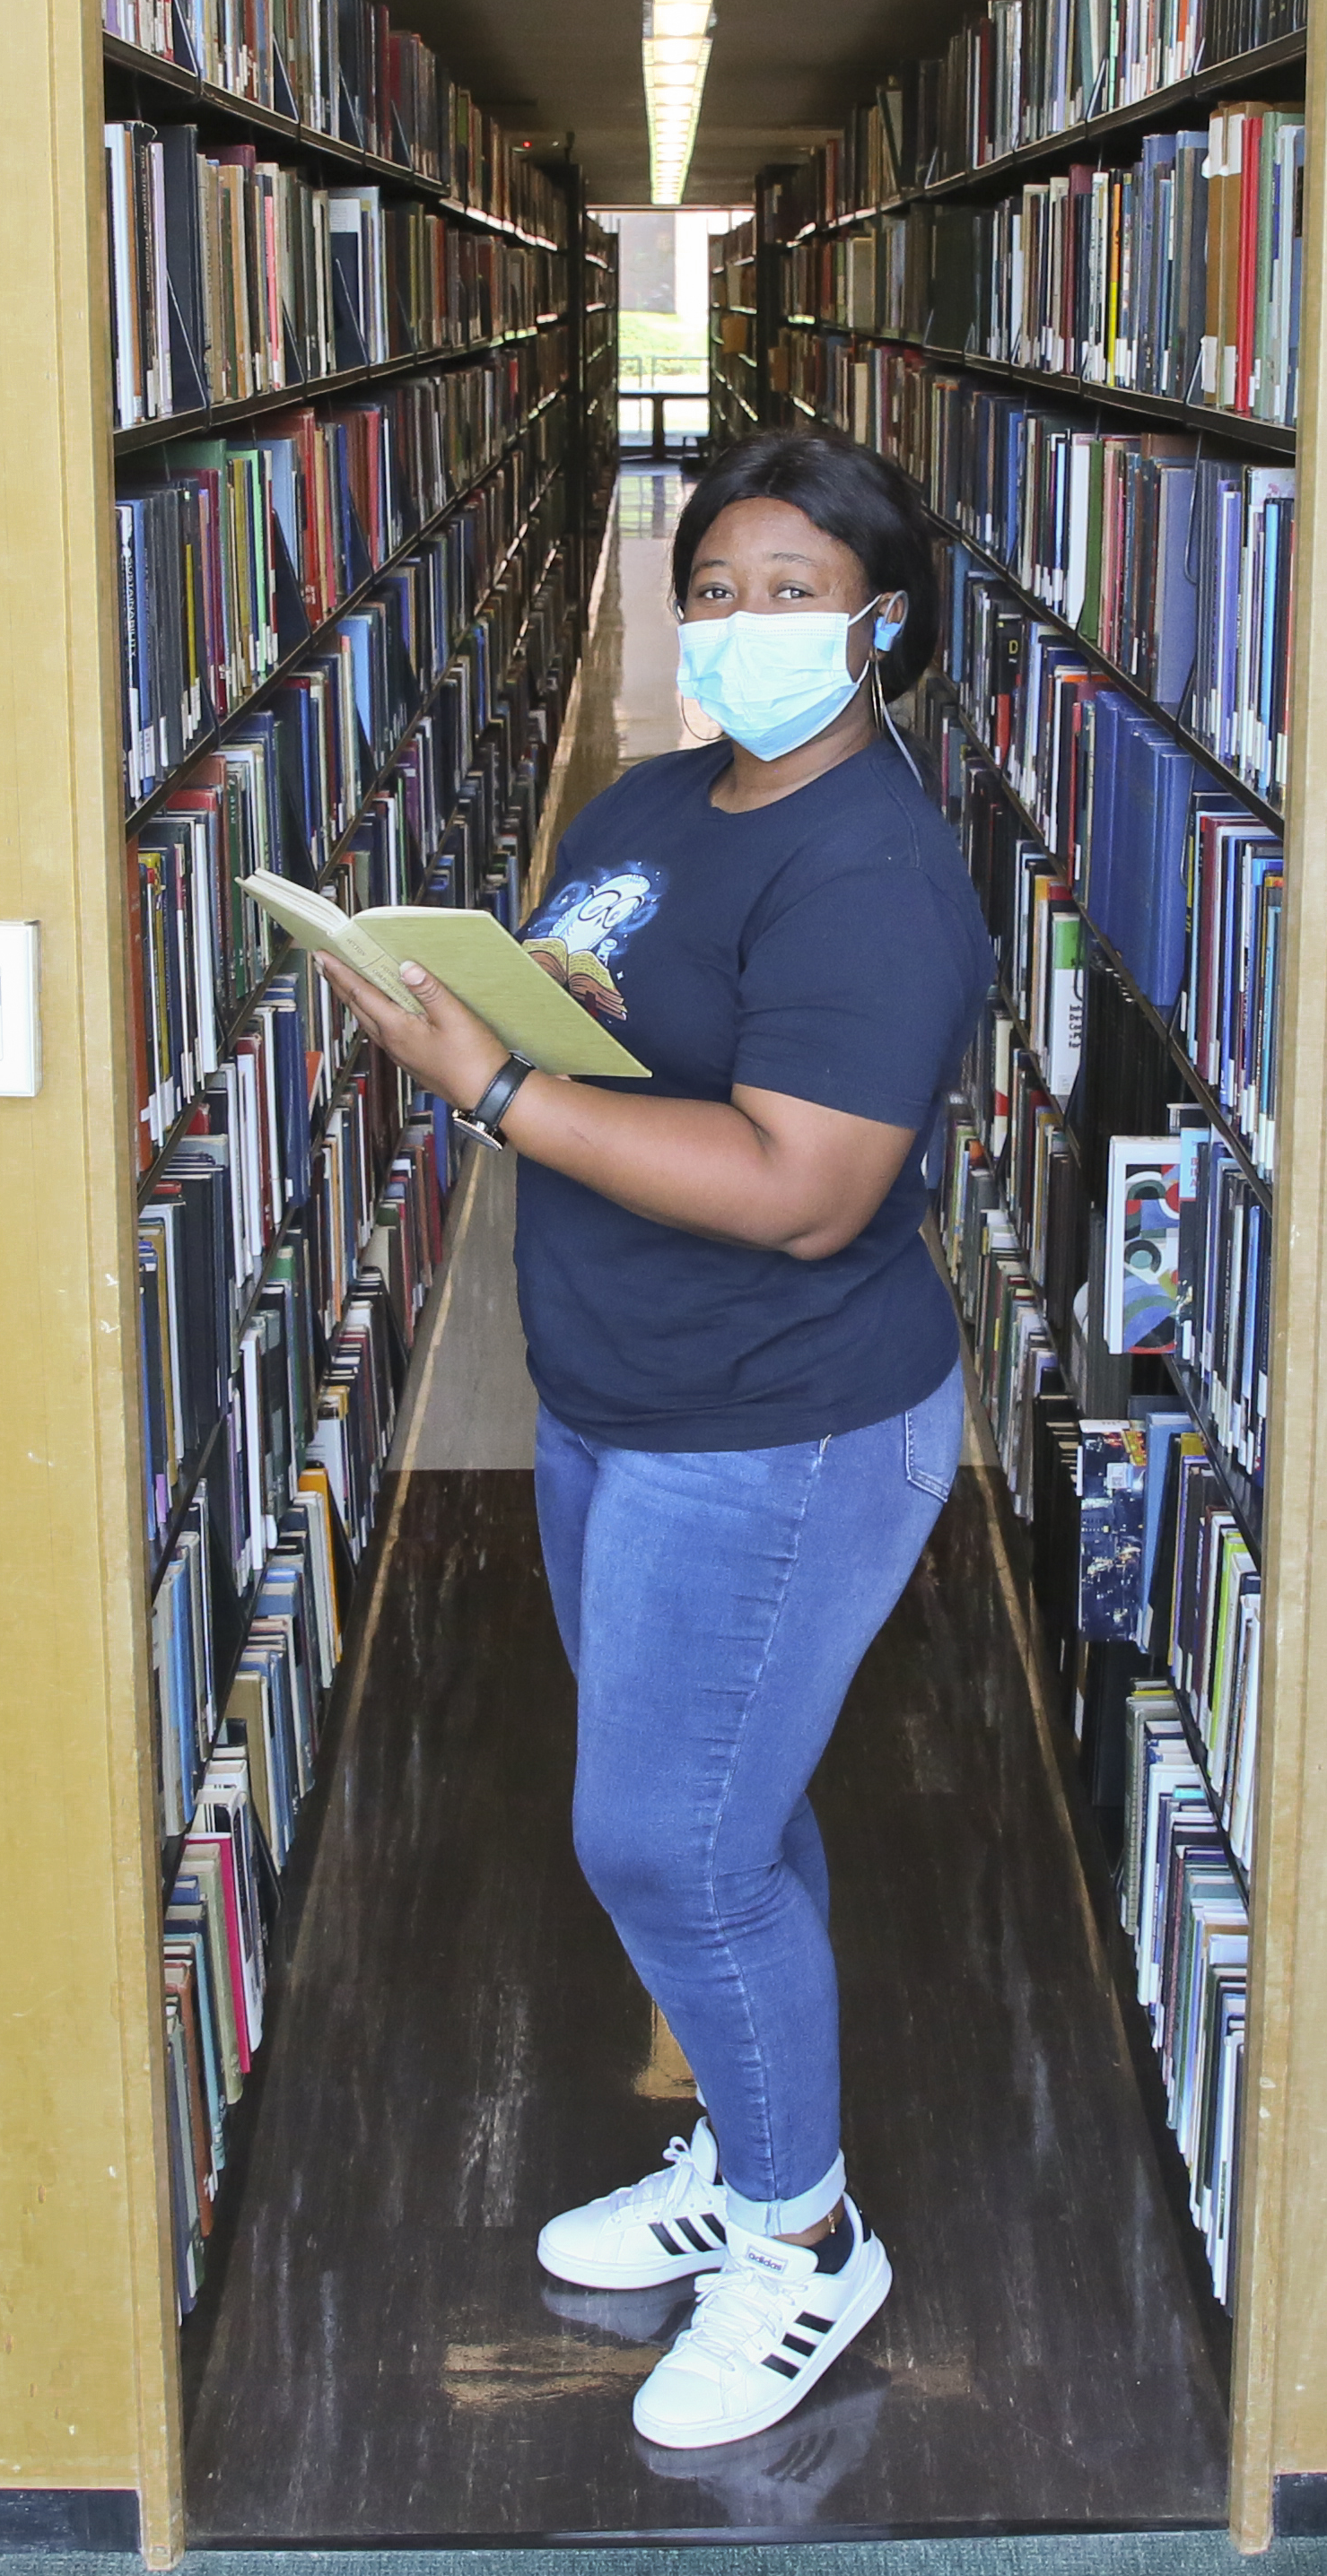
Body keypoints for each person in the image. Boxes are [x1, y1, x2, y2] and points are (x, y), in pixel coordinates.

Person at [310, 425, 991, 2454]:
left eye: (796, 590)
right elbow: (610, 1000)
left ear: (886, 622)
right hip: (626, 1395)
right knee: (725, 1815)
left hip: (778, 1428)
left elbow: (805, 1187)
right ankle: (753, 2145)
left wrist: (492, 1091)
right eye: (715, 587)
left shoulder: (876, 871)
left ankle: (802, 2242)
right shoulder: (666, 791)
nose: (745, 621)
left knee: (665, 1837)